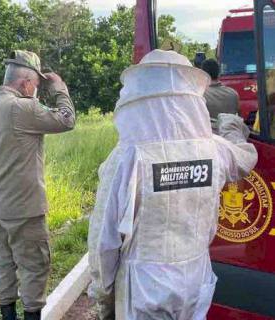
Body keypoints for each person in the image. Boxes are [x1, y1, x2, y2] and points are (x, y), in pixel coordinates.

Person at [88, 50, 257, 320]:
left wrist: (103, 294)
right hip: (195, 281)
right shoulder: (213, 149)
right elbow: (245, 159)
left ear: (140, 93)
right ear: (188, 93)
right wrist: (232, 129)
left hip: (146, 287)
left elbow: (104, 240)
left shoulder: (128, 157)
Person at [0, 50, 75, 320]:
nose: (36, 91)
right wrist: (60, 90)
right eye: (36, 86)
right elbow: (67, 119)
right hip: (25, 210)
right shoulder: (23, 107)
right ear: (26, 83)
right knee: (34, 267)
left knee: (5, 265)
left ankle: (7, 316)